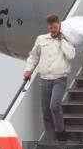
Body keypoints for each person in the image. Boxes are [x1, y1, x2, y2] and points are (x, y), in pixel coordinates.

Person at [24, 14, 75, 142]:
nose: (53, 30)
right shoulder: (41, 39)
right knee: (46, 112)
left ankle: (60, 131)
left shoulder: (66, 39)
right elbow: (33, 56)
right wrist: (28, 70)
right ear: (48, 27)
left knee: (54, 106)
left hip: (59, 78)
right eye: (51, 27)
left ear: (59, 26)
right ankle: (51, 141)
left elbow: (70, 56)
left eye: (55, 27)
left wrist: (62, 40)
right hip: (45, 79)